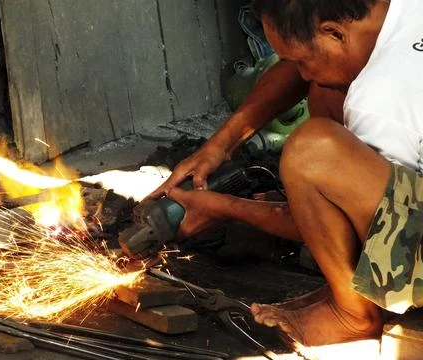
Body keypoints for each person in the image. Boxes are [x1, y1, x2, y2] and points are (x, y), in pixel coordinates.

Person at [149, 0, 423, 347]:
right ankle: (346, 286)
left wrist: (224, 207)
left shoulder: (379, 98)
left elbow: (368, 228)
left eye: (301, 60)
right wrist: (219, 144)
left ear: (334, 32)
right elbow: (303, 67)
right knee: (325, 85)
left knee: (311, 151)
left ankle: (354, 315)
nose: (302, 73)